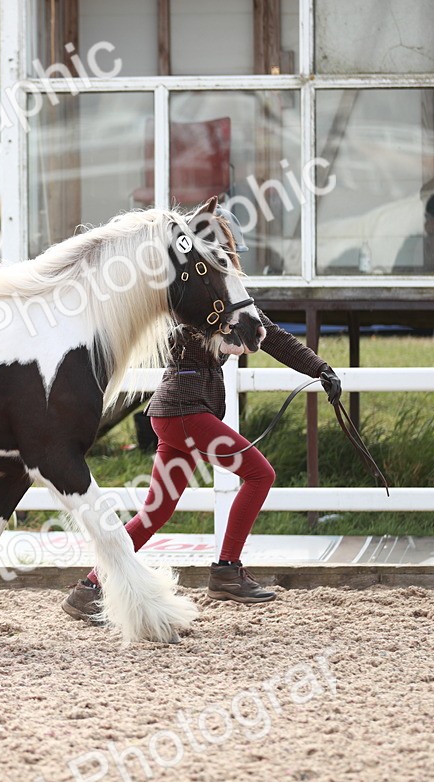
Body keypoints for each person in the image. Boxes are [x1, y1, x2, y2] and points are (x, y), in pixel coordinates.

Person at [62, 206, 342, 624]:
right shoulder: (188, 298)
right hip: (185, 412)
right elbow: (187, 330)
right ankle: (227, 570)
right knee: (259, 474)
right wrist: (221, 334)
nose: (228, 254)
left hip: (181, 414)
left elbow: (274, 337)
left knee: (156, 512)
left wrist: (320, 369)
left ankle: (89, 590)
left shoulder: (224, 300)